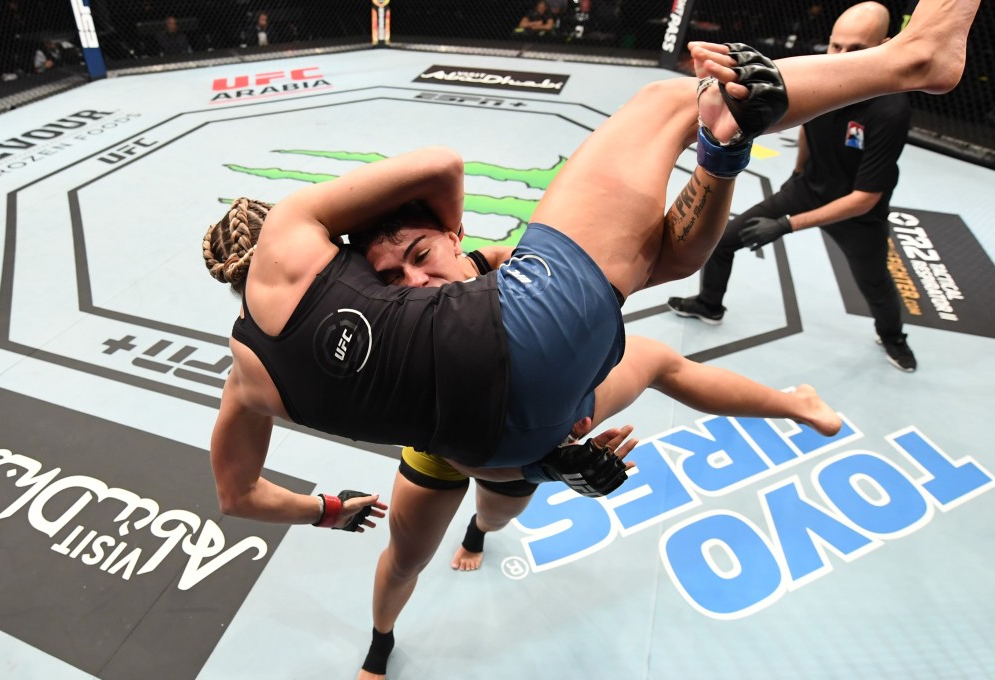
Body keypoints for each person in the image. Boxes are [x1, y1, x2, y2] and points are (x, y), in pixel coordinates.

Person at [200, 0, 976, 563]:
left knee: (648, 273)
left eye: (416, 257)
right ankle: (910, 61)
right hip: (512, 357)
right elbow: (441, 165)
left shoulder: (248, 388)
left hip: (506, 439)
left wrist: (330, 510)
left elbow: (236, 497)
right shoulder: (302, 238)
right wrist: (450, 232)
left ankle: (723, 158)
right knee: (664, 99)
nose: (407, 276)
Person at [349, 206, 845, 679]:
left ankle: (796, 402)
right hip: (452, 449)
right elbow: (479, 458)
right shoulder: (389, 327)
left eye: (421, 256)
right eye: (392, 279)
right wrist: (552, 467)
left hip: (536, 428)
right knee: (407, 558)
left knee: (500, 514)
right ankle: (381, 639)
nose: (414, 283)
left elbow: (509, 261)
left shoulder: (494, 271)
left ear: (455, 239)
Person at [668, 2, 919, 372]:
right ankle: (709, 304)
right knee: (722, 242)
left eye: (857, 50)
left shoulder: (890, 110)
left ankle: (893, 337)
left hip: (856, 212)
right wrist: (799, 174)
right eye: (836, 47)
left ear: (884, 45)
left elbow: (865, 198)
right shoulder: (822, 78)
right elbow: (809, 123)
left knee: (875, 282)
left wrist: (786, 224)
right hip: (808, 188)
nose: (842, 58)